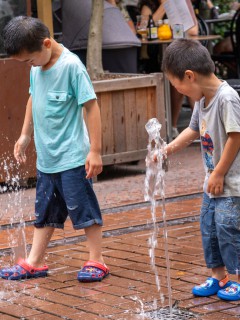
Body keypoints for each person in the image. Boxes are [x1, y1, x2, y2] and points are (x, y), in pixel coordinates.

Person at [0, 16, 110, 282]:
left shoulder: (71, 66)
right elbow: (32, 98)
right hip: (48, 159)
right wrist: (26, 134)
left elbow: (91, 107)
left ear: (47, 43)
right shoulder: (36, 67)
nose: (29, 65)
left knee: (83, 209)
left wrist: (95, 151)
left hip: (72, 157)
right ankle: (35, 262)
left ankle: (97, 260)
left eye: (29, 60)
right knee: (45, 212)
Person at [160, 38, 240, 301]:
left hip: (230, 181)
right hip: (212, 182)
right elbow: (194, 129)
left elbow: (236, 136)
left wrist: (218, 172)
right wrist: (168, 148)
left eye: (177, 86)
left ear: (190, 76)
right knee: (209, 227)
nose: (180, 92)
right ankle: (219, 276)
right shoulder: (202, 99)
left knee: (228, 227)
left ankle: (237, 278)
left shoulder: (227, 98)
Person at [139, 0, 199, 138]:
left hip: (181, 55)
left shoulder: (181, 4)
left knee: (189, 76)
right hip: (155, 57)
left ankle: (186, 126)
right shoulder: (149, 6)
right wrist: (163, 6)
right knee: (182, 75)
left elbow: (194, 30)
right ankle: (174, 126)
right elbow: (142, 30)